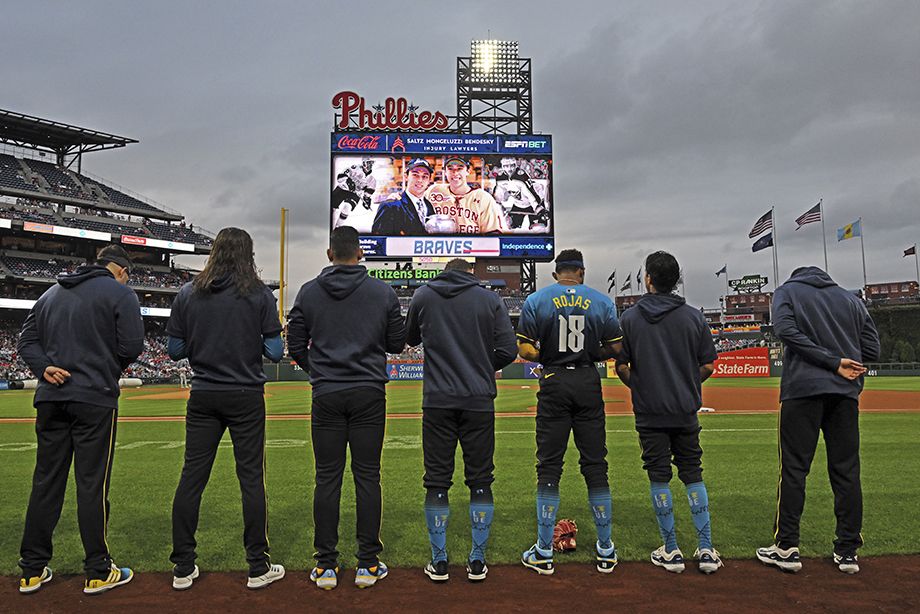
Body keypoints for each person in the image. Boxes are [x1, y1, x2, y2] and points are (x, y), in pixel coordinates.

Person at [16, 244, 144, 595]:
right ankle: (98, 570)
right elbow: (132, 346)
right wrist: (105, 369)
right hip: (95, 398)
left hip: (51, 397)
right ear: (120, 270)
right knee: (92, 484)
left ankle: (31, 570)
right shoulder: (120, 293)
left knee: (46, 482)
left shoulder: (50, 293)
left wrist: (44, 368)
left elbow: (25, 341)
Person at [287, 225, 407, 590]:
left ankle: (326, 565)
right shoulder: (382, 291)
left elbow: (294, 344)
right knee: (368, 476)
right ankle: (367, 564)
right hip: (368, 391)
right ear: (360, 254)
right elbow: (397, 344)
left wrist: (319, 371)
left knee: (327, 477)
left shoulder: (308, 291)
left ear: (328, 254)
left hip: (327, 393)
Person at [165, 227, 285, 591]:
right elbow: (276, 353)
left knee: (191, 478)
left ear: (213, 251)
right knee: (251, 479)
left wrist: (205, 339)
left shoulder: (188, 293)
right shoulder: (259, 295)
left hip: (203, 393)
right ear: (248, 254)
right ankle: (257, 565)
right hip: (246, 394)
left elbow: (174, 350)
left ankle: (183, 567)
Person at [756, 266, 880, 574]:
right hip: (845, 395)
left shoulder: (787, 292)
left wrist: (831, 361)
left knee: (795, 469)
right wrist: (843, 361)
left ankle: (786, 547)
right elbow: (872, 350)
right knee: (847, 471)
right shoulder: (851, 300)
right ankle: (848, 551)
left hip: (801, 391)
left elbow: (784, 331)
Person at [405, 258, 517, 583]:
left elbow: (410, 338)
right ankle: (477, 560)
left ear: (445, 271)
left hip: (438, 400)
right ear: (470, 272)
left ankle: (439, 562)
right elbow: (508, 350)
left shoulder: (424, 295)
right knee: (481, 478)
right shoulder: (489, 298)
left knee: (437, 480)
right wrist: (482, 363)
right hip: (478, 400)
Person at [516, 249, 623, 576]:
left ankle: (544, 551)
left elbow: (524, 348)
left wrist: (545, 353)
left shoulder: (538, 299)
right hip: (588, 379)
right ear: (582, 271)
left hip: (554, 378)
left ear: (556, 272)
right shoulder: (602, 301)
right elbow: (617, 347)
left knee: (549, 466)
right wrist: (594, 351)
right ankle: (605, 549)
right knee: (595, 464)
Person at [614, 251, 722, 574]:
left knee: (658, 475)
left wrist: (643, 386)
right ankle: (705, 549)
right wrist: (687, 384)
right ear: (676, 281)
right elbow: (707, 366)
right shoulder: (693, 317)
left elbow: (621, 366)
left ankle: (672, 550)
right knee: (693, 472)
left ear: (648, 278)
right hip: (685, 410)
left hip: (650, 413)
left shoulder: (630, 318)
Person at [425, 157, 506, 234]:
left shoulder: (483, 197)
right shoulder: (434, 191)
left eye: (459, 168)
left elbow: (493, 233)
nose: (455, 173)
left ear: (468, 171)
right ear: (445, 172)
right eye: (450, 168)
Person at [371, 158, 434, 236]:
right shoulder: (390, 206)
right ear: (406, 176)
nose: (420, 180)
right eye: (415, 175)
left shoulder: (429, 205)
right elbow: (379, 241)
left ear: (429, 180)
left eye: (425, 176)